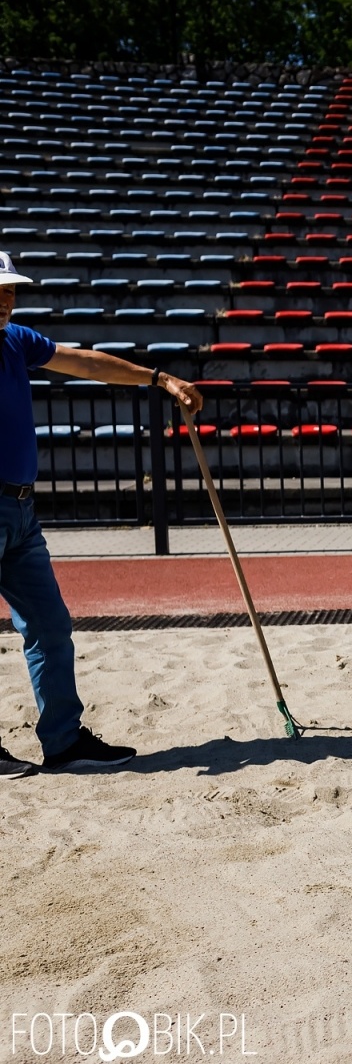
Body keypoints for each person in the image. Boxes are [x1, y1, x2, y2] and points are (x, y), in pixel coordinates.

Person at [0, 250, 203, 777]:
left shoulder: (16, 340)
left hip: (20, 509)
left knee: (49, 624)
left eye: (10, 289)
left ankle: (64, 741)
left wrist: (159, 378)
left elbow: (86, 362)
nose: (5, 298)